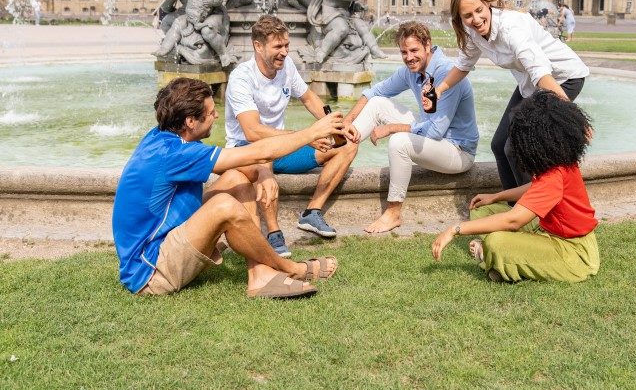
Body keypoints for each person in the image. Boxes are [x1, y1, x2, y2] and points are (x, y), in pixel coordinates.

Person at [112, 77, 344, 298]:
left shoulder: (162, 138)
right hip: (152, 272)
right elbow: (259, 151)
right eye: (211, 112)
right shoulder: (176, 154)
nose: (216, 116)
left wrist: (264, 172)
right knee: (224, 206)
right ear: (190, 121)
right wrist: (311, 133)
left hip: (166, 243)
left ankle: (260, 275)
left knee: (235, 178)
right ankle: (291, 268)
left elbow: (244, 161)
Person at [435, 0, 590, 191]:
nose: (476, 19)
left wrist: (576, 118)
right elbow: (464, 65)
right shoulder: (471, 30)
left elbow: (540, 73)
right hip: (531, 85)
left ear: (488, 4)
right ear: (460, 17)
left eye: (479, 10)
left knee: (516, 147)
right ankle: (511, 206)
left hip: (562, 79)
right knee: (499, 145)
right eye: (468, 15)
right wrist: (439, 89)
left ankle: (531, 210)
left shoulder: (511, 28)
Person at [432, 91, 599, 284]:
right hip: (547, 231)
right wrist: (495, 197)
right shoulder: (559, 163)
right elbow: (533, 188)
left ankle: (493, 255)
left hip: (575, 254)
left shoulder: (555, 175)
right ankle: (502, 256)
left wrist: (454, 229)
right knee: (483, 209)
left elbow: (514, 220)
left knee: (496, 242)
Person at [225, 15, 358, 257]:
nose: (285, 52)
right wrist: (308, 135)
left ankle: (312, 213)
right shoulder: (241, 77)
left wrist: (336, 126)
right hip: (246, 149)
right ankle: (274, 234)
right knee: (264, 160)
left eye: (287, 45)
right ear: (258, 46)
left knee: (346, 146)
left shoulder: (286, 67)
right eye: (278, 46)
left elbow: (308, 97)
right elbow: (252, 131)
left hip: (282, 148)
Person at [343, 21, 479, 233]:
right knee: (377, 103)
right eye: (404, 52)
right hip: (435, 138)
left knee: (399, 141)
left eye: (414, 50)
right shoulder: (411, 71)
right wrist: (347, 122)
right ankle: (339, 150)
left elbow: (435, 131)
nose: (409, 57)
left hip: (458, 151)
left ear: (428, 46)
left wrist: (390, 128)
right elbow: (375, 91)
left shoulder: (447, 74)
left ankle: (393, 213)